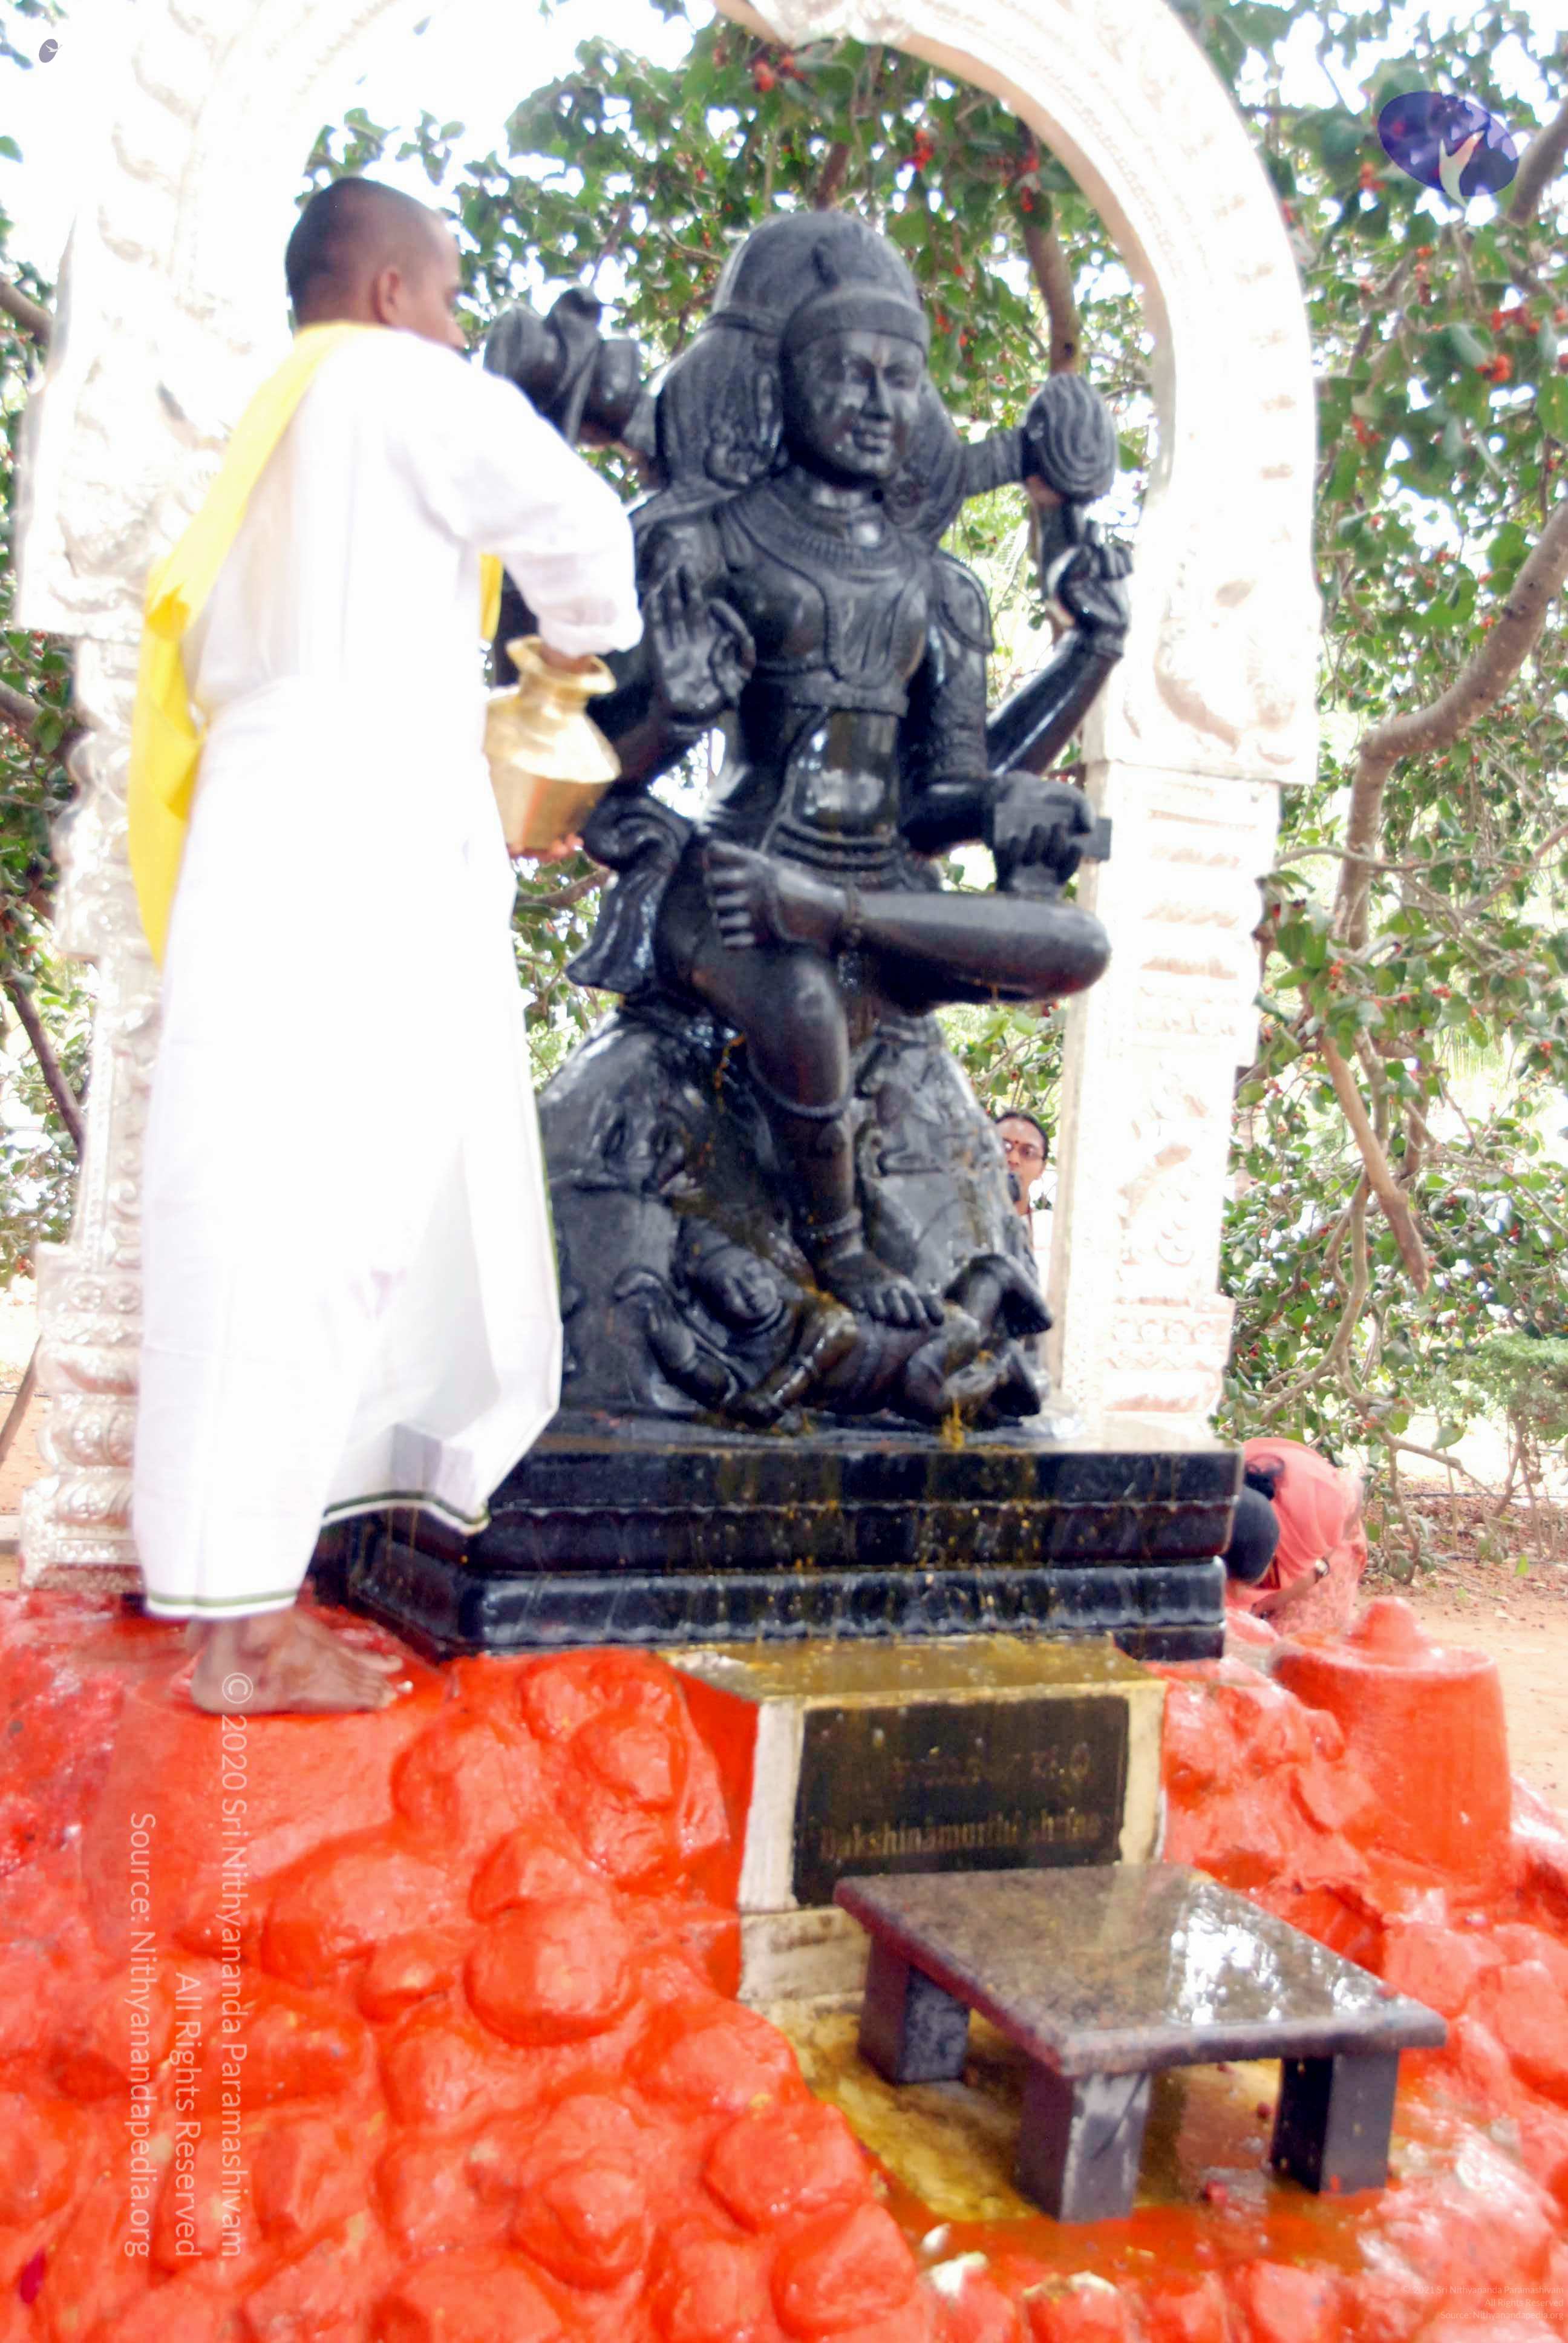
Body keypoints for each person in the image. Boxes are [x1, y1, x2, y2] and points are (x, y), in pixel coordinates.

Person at [129, 179, 641, 1715]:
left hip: (255, 820)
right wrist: (566, 666)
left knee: (241, 1193)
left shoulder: (266, 420)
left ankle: (231, 1592)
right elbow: (583, 533)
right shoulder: (395, 380)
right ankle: (247, 1633)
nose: (460, 327)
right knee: (337, 1201)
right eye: (453, 297)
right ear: (394, 291)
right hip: (365, 824)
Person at [995, 1109, 1054, 1289]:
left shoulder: (1051, 1232)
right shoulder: (953, 1225)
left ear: (1042, 1168)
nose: (1013, 1159)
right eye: (1003, 1147)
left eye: (1028, 1152)